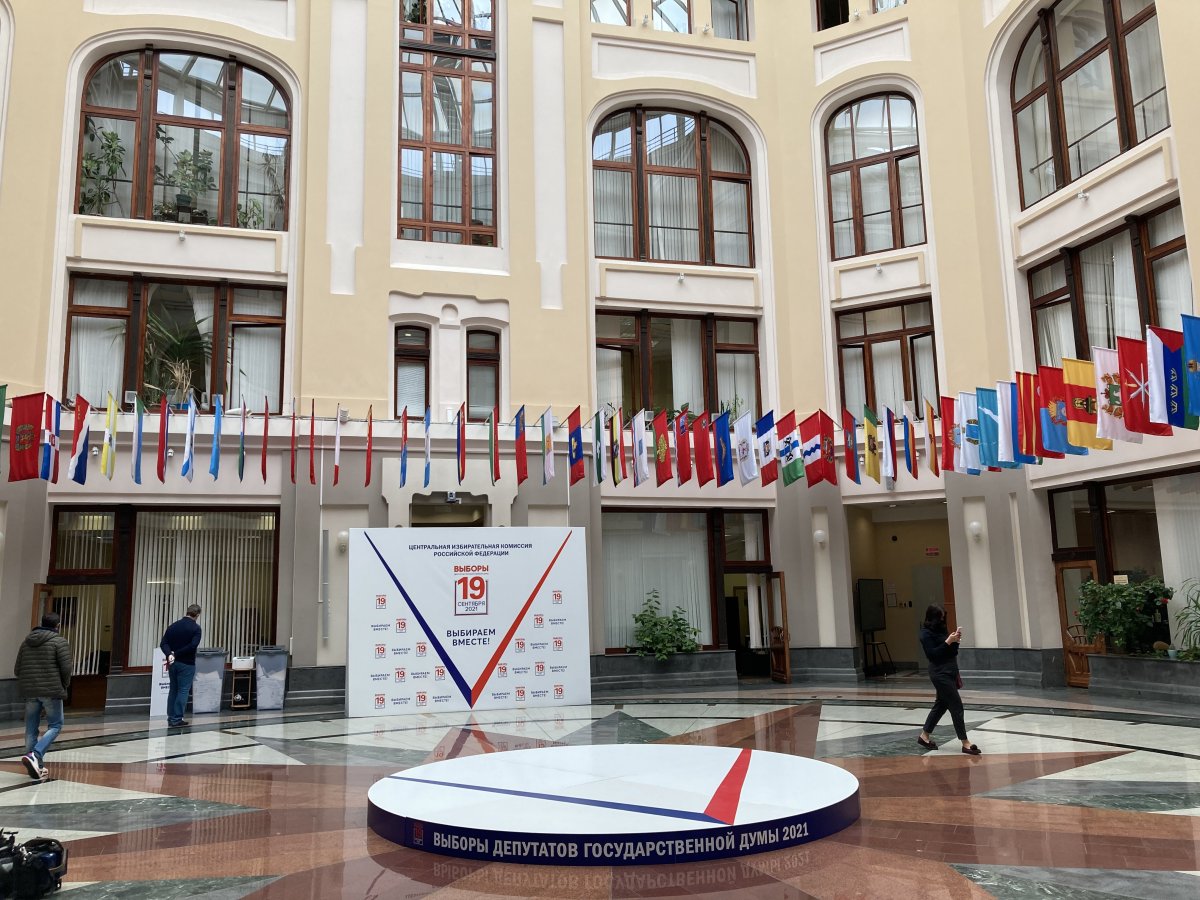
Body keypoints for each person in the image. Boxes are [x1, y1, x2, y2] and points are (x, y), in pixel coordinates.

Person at [15, 612, 73, 782]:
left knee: (30, 729)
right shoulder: (59, 642)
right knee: (56, 725)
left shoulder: (26, 642)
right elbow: (66, 668)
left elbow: (17, 669)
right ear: (58, 626)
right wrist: (64, 685)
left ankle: (36, 766)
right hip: (51, 691)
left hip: (30, 692)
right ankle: (36, 754)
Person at [917, 604, 981, 755]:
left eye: (943, 617)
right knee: (956, 705)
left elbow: (951, 652)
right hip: (939, 674)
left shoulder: (941, 629)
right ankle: (965, 743)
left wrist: (955, 641)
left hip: (950, 670)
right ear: (932, 617)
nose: (942, 620)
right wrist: (947, 642)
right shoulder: (925, 634)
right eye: (939, 618)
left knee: (941, 704)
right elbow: (933, 655)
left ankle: (924, 736)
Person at [160, 604, 202, 728]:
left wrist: (169, 654)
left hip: (172, 663)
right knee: (183, 690)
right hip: (187, 663)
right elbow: (193, 646)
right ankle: (177, 718)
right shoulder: (196, 628)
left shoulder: (173, 626)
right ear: (197, 615)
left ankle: (170, 717)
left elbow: (163, 643)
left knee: (173, 689)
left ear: (187, 612)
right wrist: (176, 654)